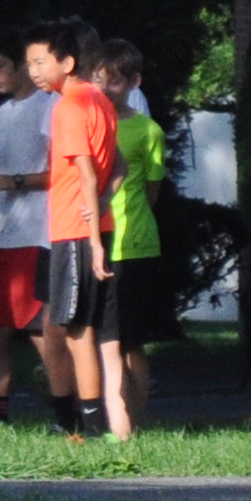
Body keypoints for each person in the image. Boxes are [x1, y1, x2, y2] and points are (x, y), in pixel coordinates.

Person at [24, 17, 118, 445]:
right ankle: (75, 421)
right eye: (29, 63)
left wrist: (94, 240)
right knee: (67, 326)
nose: (34, 71)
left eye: (41, 62)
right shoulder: (99, 99)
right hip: (83, 228)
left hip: (76, 235)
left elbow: (85, 171)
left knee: (79, 333)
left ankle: (90, 427)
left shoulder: (71, 106)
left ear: (67, 61)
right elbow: (118, 168)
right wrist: (100, 206)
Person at [93, 38, 167, 441]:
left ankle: (133, 423)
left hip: (134, 244)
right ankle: (115, 421)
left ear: (134, 82)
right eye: (100, 79)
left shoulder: (147, 130)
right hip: (97, 241)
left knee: (131, 342)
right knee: (106, 338)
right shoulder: (90, 125)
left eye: (116, 82)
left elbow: (152, 191)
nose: (106, 89)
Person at [0, 39, 52, 424]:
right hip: (5, 232)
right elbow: (2, 171)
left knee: (40, 328)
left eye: (1, 65)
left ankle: (66, 408)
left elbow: (59, 172)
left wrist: (12, 181)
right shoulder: (4, 112)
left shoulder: (49, 105)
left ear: (24, 66)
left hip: (37, 231)